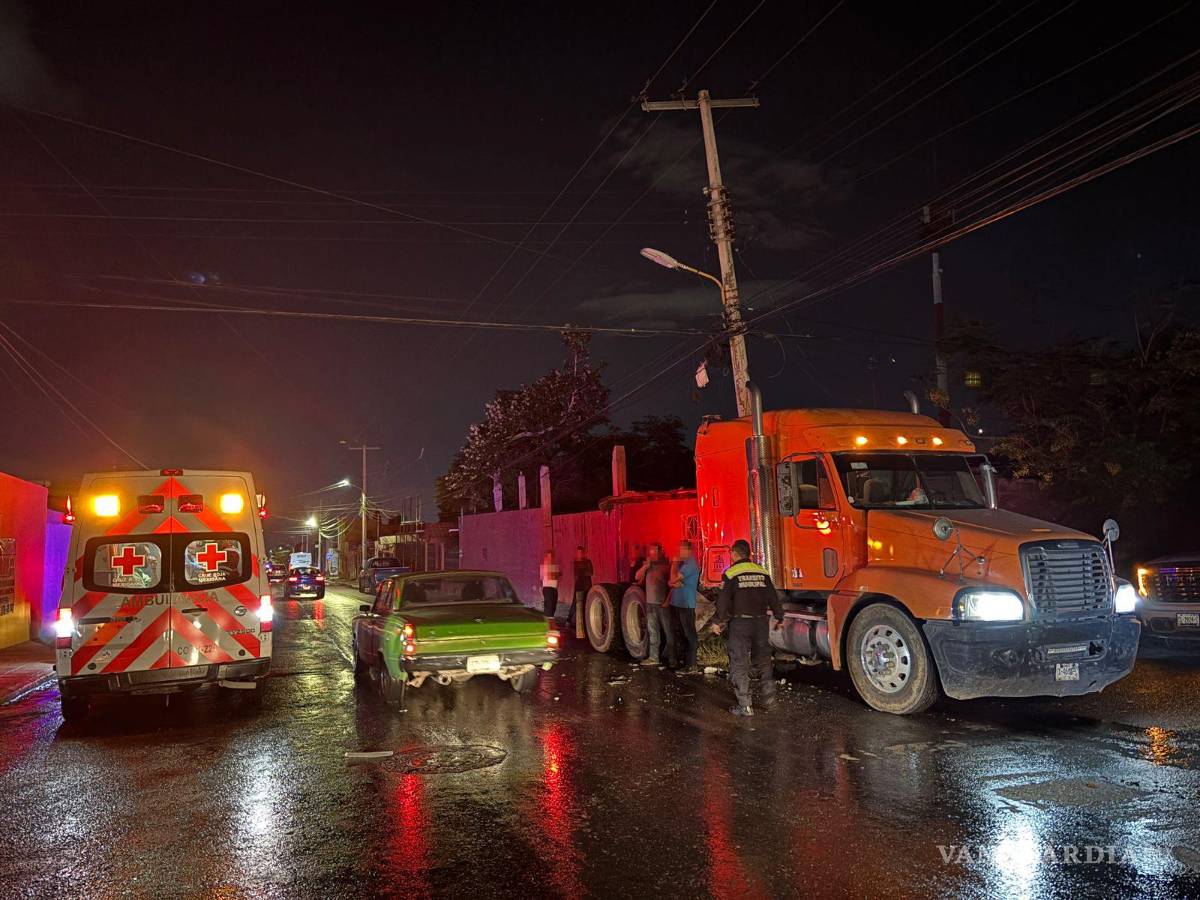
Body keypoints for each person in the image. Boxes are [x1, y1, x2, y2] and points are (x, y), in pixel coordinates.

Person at [710, 539, 784, 716]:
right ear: (749, 554)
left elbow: (724, 600)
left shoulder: (731, 573)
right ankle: (769, 700)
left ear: (734, 554)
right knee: (763, 661)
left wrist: (717, 621)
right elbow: (773, 597)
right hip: (760, 623)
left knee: (739, 662)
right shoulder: (762, 572)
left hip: (740, 624)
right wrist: (779, 615)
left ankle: (745, 705)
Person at [634, 543, 675, 668]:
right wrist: (645, 566)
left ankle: (673, 659)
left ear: (660, 552)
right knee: (653, 632)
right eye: (650, 552)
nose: (652, 555)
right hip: (650, 604)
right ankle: (654, 657)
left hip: (663, 605)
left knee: (669, 632)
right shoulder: (648, 567)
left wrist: (668, 600)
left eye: (654, 552)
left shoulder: (666, 566)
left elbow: (673, 585)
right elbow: (637, 577)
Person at [668, 540, 701, 674]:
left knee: (689, 634)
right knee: (682, 634)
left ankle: (691, 665)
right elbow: (673, 582)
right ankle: (685, 663)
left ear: (689, 550)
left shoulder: (690, 564)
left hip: (686, 605)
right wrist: (674, 582)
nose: (679, 552)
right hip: (680, 604)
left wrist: (674, 563)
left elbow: (673, 580)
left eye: (682, 550)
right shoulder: (686, 564)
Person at [569, 545, 592, 630]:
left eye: (581, 553)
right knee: (575, 602)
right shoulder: (576, 562)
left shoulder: (588, 561)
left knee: (586, 602)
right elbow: (576, 574)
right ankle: (569, 620)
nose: (580, 554)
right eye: (578, 553)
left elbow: (590, 572)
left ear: (584, 553)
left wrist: (582, 572)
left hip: (586, 585)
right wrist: (583, 572)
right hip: (578, 585)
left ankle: (586, 621)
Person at [540, 550, 561, 619]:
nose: (550, 558)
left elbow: (556, 576)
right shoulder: (545, 565)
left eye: (552, 557)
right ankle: (548, 624)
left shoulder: (553, 565)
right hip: (548, 589)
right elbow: (551, 576)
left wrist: (557, 573)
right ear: (546, 557)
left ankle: (549, 622)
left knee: (552, 607)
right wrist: (557, 573)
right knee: (549, 607)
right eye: (549, 556)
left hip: (553, 588)